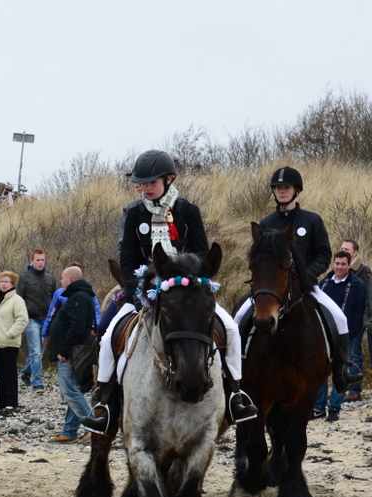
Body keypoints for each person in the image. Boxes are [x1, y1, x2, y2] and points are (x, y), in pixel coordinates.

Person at [83, 150, 257, 435]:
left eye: (151, 181)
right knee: (107, 335)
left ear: (169, 179)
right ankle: (103, 403)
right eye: (141, 182)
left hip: (187, 293)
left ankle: (236, 394)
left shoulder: (188, 211)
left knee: (232, 330)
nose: (145, 187)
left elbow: (202, 254)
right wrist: (138, 290)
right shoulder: (133, 213)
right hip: (145, 291)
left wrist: (190, 285)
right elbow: (126, 260)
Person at [235, 166, 359, 393]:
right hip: (271, 287)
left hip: (306, 286)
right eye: (278, 188)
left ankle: (342, 371)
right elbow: (259, 259)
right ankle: (233, 373)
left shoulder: (312, 221)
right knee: (238, 319)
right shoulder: (266, 223)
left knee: (340, 318)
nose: (282, 191)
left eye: (286, 187)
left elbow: (323, 253)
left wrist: (309, 274)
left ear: (296, 190)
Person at [312, 251, 367, 421]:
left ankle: (334, 407)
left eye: (343, 264)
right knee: (321, 371)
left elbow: (359, 312)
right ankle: (319, 407)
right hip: (324, 335)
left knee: (341, 371)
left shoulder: (358, 285)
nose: (339, 267)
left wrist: (353, 334)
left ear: (349, 265)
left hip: (345, 335)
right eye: (337, 263)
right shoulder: (324, 283)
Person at [49, 266, 95, 444]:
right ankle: (69, 431)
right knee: (72, 390)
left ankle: (93, 427)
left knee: (70, 391)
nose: (60, 281)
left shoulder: (79, 298)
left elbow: (76, 327)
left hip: (72, 352)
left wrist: (63, 349)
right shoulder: (78, 297)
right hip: (71, 350)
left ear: (70, 280)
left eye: (62, 278)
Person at [0, 271, 29, 412]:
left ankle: (11, 402)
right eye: (1, 281)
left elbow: (22, 320)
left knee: (9, 373)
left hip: (9, 343)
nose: (3, 284)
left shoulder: (17, 300)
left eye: (6, 282)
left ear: (13, 284)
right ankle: (0, 402)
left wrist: (10, 334)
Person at [16, 249, 56, 392]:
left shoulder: (50, 278)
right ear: (32, 261)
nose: (40, 263)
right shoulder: (25, 277)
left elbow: (54, 300)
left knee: (39, 351)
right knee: (36, 352)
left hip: (46, 320)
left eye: (42, 260)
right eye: (37, 260)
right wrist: (23, 317)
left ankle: (26, 372)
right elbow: (18, 299)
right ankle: (37, 382)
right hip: (31, 320)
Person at [340, 239, 370, 401]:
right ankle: (344, 387)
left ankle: (356, 389)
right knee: (342, 355)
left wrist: (363, 321)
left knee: (354, 354)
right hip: (340, 321)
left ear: (355, 253)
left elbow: (366, 298)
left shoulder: (363, 271)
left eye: (347, 248)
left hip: (355, 320)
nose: (343, 250)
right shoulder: (339, 268)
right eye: (342, 248)